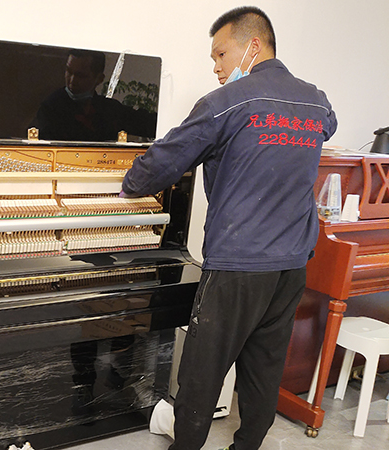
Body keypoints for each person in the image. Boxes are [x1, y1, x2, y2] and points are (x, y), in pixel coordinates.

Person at [121, 6, 337, 450]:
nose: (216, 67)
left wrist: (127, 184)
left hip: (239, 263)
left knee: (202, 373)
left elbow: (163, 163)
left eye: (221, 54)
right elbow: (327, 128)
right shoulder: (315, 101)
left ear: (253, 45)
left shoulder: (227, 103)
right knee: (263, 371)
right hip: (291, 264)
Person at [32, 49, 156, 141]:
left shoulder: (109, 109)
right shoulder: (50, 107)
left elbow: (145, 124)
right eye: (69, 72)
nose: (72, 80)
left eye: (81, 75)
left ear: (99, 79)